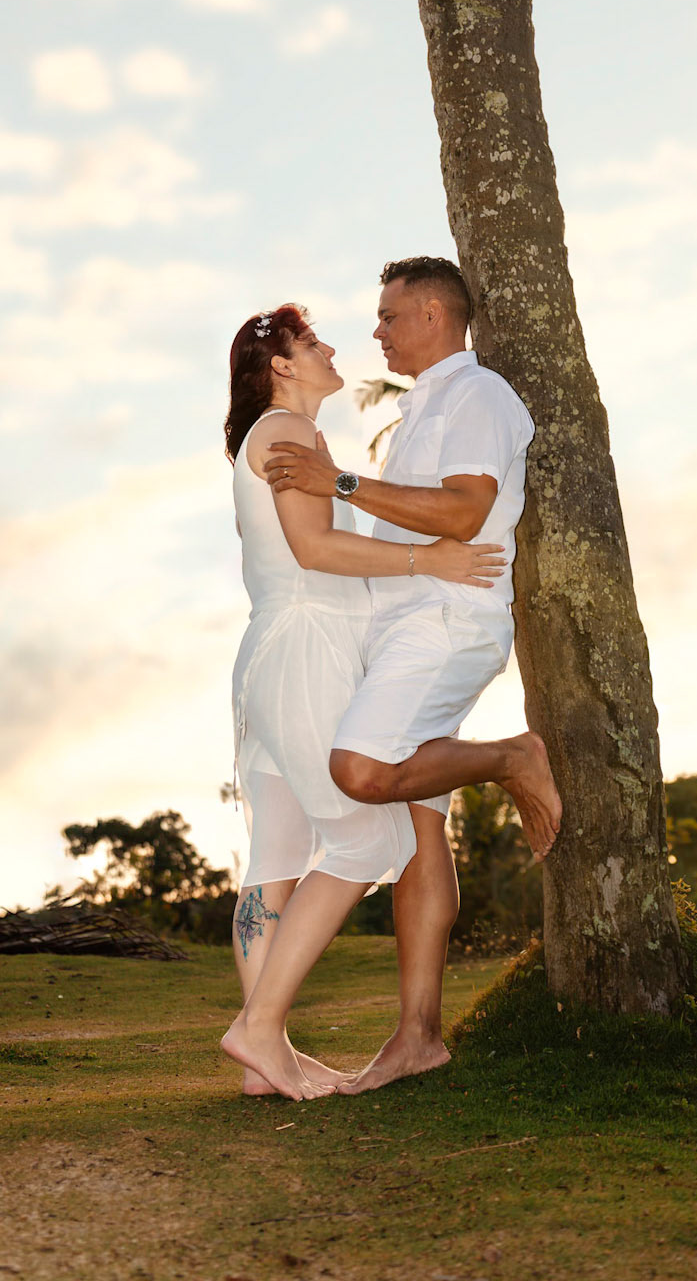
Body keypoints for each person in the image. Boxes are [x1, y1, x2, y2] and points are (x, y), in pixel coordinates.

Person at [265, 255, 562, 1094]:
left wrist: (342, 482)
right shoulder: (413, 411)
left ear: (433, 314)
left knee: (359, 772)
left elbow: (465, 510)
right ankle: (418, 1037)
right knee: (422, 832)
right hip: (402, 627)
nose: (377, 331)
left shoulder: (478, 396)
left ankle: (511, 759)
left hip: (443, 623)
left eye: (389, 316)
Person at [221, 301, 505, 1103]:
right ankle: (257, 1029)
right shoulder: (283, 434)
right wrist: (429, 562)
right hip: (306, 650)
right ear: (279, 365)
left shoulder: (284, 438)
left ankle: (262, 1055)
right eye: (312, 341)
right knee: (364, 842)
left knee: (276, 853)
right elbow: (315, 549)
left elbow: (299, 552)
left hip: (279, 651)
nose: (334, 347)